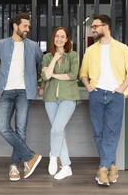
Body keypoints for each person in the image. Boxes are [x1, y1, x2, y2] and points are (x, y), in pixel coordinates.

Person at [80, 14, 128, 186]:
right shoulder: (90, 50)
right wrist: (88, 86)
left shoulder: (122, 48)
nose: (93, 29)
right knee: (98, 132)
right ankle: (111, 166)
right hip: (96, 94)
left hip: (116, 95)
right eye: (92, 27)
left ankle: (103, 169)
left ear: (106, 27)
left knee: (112, 132)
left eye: (95, 26)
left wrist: (121, 88)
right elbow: (83, 73)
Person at [0, 12, 43, 181]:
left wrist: (41, 85)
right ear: (15, 26)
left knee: (21, 130)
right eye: (25, 26)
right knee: (2, 126)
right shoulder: (1, 44)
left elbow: (41, 67)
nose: (28, 29)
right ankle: (30, 156)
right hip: (5, 91)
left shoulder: (34, 46)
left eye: (29, 26)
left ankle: (14, 166)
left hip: (24, 92)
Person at [41, 27, 79, 180]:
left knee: (57, 129)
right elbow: (45, 76)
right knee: (59, 131)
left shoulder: (73, 55)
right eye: (57, 36)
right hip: (50, 98)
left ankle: (53, 156)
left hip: (68, 97)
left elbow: (72, 75)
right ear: (53, 38)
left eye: (63, 36)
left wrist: (53, 75)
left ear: (67, 39)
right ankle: (66, 166)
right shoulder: (47, 57)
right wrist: (55, 59)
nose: (59, 39)